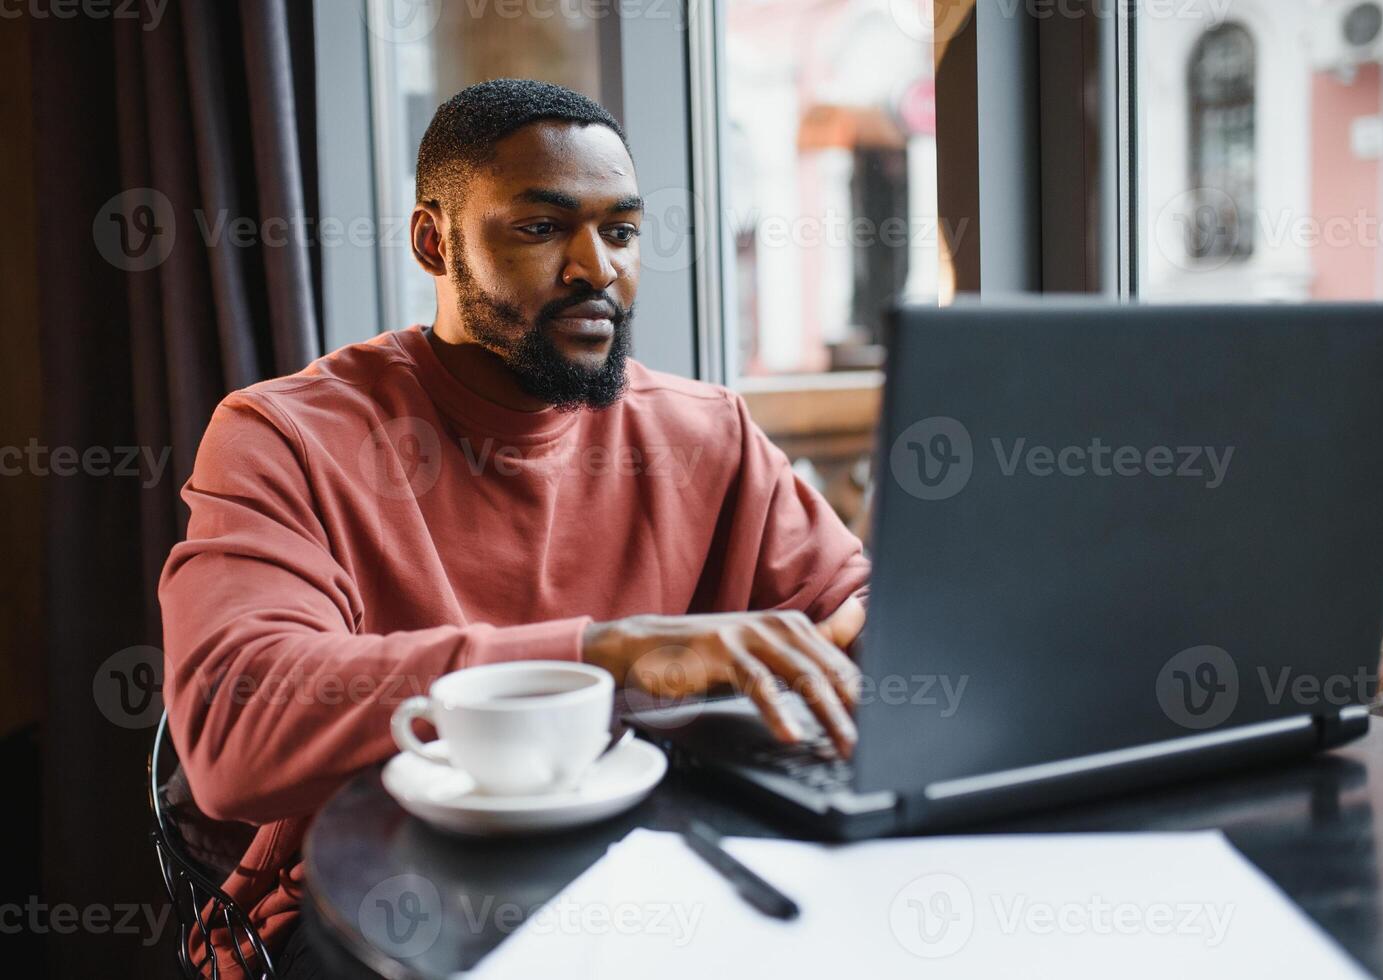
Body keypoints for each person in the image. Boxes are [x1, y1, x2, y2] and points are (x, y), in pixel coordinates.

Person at [158, 78, 869, 975]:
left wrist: (876, 635)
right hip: (374, 904)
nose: (597, 268)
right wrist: (607, 654)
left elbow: (859, 609)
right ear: (434, 241)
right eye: (542, 228)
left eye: (620, 230)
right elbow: (236, 726)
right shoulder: (287, 434)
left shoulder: (707, 433)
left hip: (660, 879)